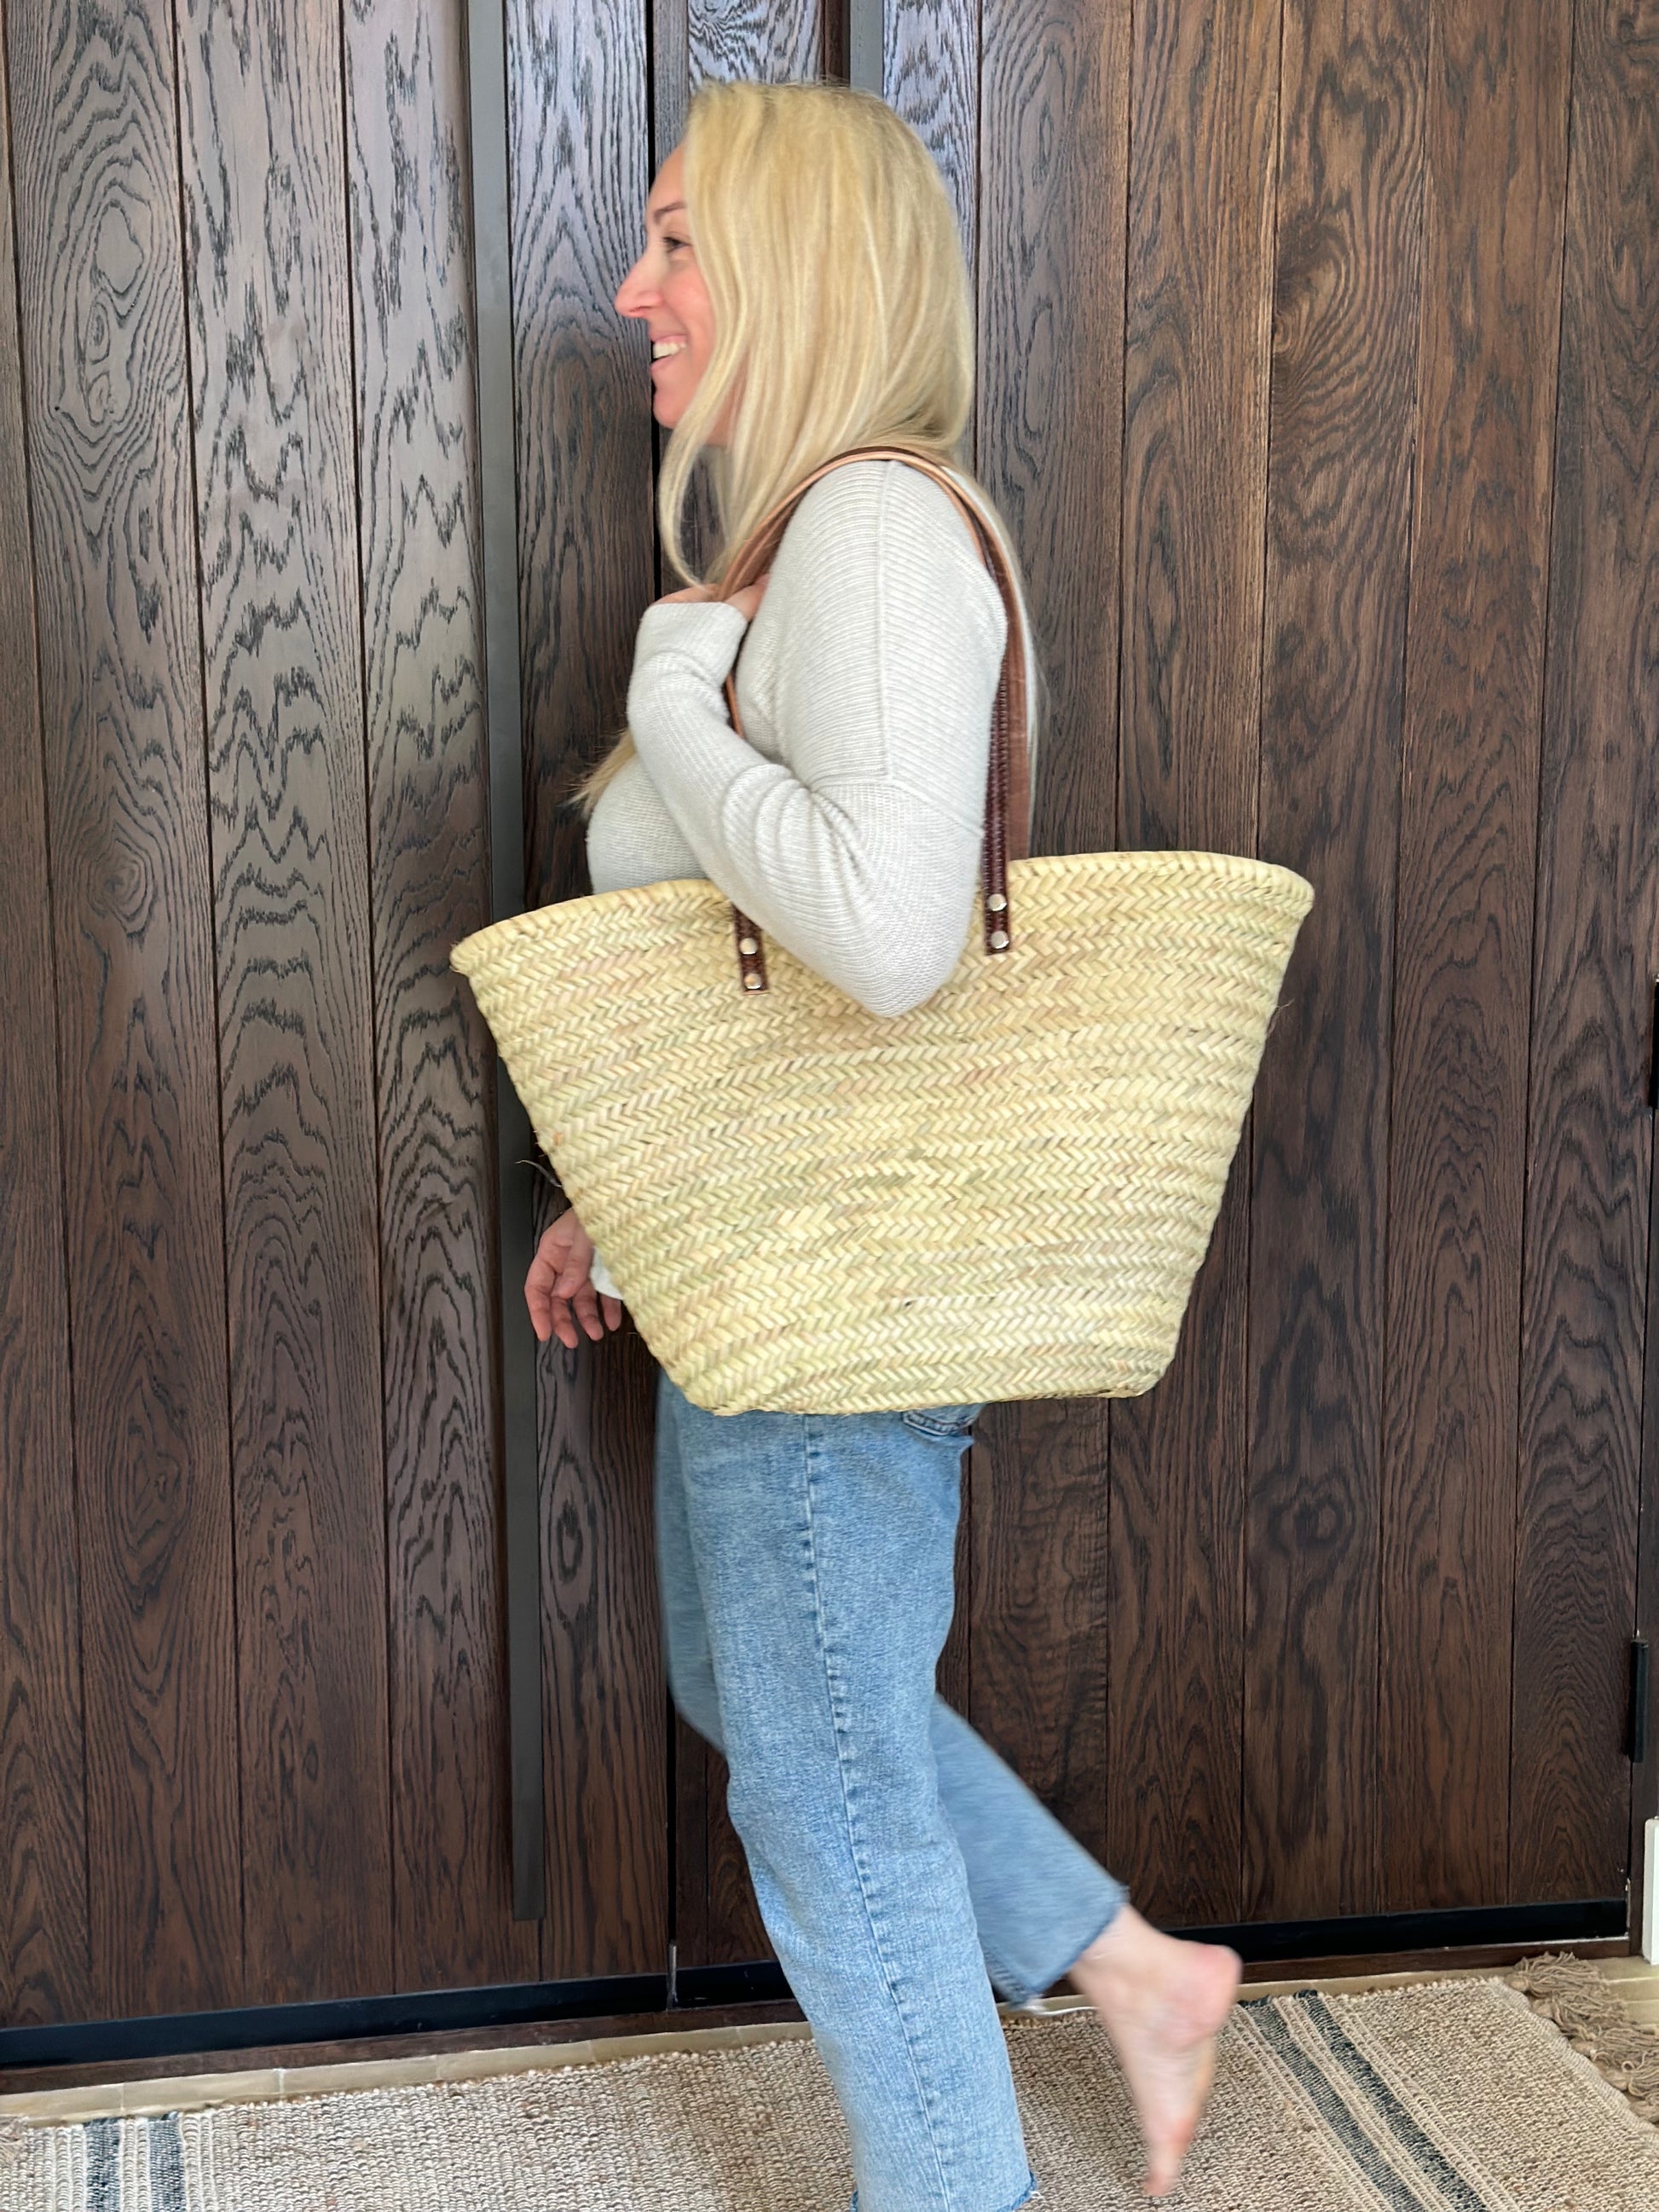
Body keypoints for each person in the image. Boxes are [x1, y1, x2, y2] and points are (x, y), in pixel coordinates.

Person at [523, 78, 1240, 2210]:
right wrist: (622, 1199)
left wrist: (668, 704)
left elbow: (889, 939)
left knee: (824, 1791)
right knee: (746, 1686)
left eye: (675, 241)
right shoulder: (814, 534)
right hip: (775, 1250)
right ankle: (1130, 1961)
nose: (631, 287)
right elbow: (760, 987)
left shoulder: (868, 527)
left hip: (841, 1297)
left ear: (799, 265)